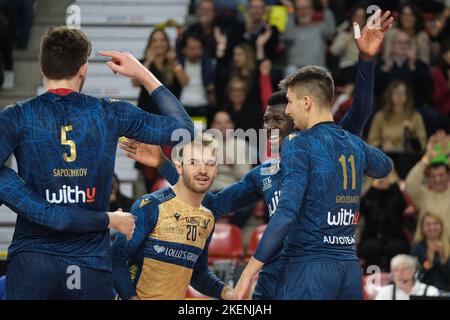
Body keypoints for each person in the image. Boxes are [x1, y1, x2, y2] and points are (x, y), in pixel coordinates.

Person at [122, 11, 395, 300]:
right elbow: (213, 203)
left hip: (305, 269)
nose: (270, 126)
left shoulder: (323, 141)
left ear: (301, 111)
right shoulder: (264, 173)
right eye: (265, 120)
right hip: (275, 275)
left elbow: (361, 112)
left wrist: (365, 61)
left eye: (279, 117)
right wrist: (164, 165)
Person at [0, 26, 194, 300]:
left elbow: (50, 214)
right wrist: (142, 73)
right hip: (89, 262)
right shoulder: (109, 112)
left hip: (33, 259)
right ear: (83, 69)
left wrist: (16, 191)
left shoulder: (15, 116)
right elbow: (184, 131)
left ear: (43, 67)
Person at [232, 11, 394, 300]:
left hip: (308, 267)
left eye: (291, 103)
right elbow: (384, 166)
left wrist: (247, 273)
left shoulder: (298, 144)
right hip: (347, 267)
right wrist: (366, 62)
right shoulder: (351, 143)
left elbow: (286, 214)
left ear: (306, 102)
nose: (289, 112)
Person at [111, 135, 233, 300]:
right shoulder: (151, 205)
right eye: (194, 162)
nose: (203, 170)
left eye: (210, 164)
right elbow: (116, 257)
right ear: (179, 167)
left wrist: (226, 292)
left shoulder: (208, 218)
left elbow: (197, 272)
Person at [358, 170, 410, 270]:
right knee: (371, 248)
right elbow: (362, 208)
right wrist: (373, 188)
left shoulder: (395, 192)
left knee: (394, 248)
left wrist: (394, 185)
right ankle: (372, 276)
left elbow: (402, 205)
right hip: (371, 236)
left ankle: (392, 276)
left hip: (394, 236)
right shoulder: (370, 194)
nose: (382, 180)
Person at [405, 131, 450, 237]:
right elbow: (410, 184)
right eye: (434, 176)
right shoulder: (423, 194)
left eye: (441, 175)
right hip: (423, 247)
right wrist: (427, 157)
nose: (438, 179)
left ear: (448, 176)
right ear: (429, 177)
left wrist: (446, 153)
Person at [411, 212, 450, 291]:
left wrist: (443, 259)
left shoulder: (448, 245)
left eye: (435, 224)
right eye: (428, 224)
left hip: (446, 290)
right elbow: (416, 276)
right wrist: (429, 262)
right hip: (424, 290)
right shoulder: (417, 247)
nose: (432, 227)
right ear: (422, 228)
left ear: (441, 226)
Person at [375, 254, 440, 299]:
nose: (399, 274)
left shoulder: (430, 292)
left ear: (413, 271)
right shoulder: (386, 292)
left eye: (404, 269)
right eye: (396, 270)